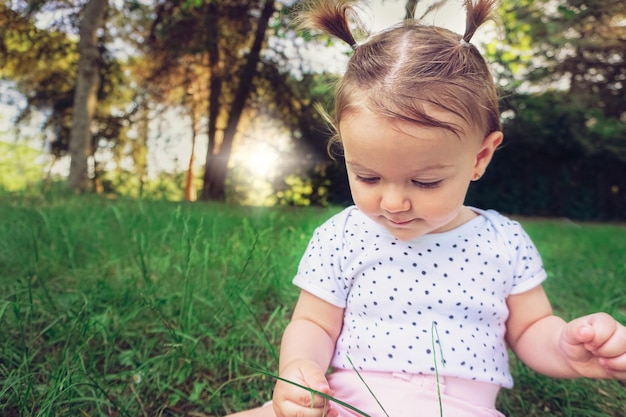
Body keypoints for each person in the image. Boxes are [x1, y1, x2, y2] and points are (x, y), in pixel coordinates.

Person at [228, 0, 626, 416]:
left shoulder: (503, 243)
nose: (393, 202)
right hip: (346, 404)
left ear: (480, 157)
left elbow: (531, 327)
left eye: (425, 182)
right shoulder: (342, 235)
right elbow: (313, 324)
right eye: (367, 177)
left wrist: (565, 348)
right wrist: (299, 370)